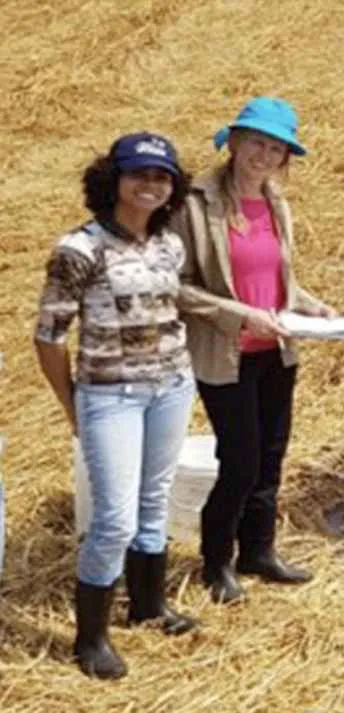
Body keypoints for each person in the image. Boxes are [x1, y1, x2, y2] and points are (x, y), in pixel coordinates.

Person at [34, 132, 199, 679]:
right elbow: (50, 336)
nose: (150, 185)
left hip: (171, 386)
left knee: (155, 499)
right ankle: (91, 639)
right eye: (139, 175)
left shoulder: (168, 244)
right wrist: (71, 404)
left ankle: (148, 605)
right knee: (112, 520)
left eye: (162, 177)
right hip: (112, 397)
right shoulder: (79, 250)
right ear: (113, 180)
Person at [173, 97, 336, 604]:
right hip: (226, 354)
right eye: (256, 142)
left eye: (275, 148)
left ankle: (258, 552)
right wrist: (238, 314)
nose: (263, 155)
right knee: (239, 460)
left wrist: (313, 307)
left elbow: (275, 280)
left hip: (276, 349)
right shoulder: (194, 204)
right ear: (234, 142)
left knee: (270, 454)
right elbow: (175, 286)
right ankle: (216, 562)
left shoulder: (275, 201)